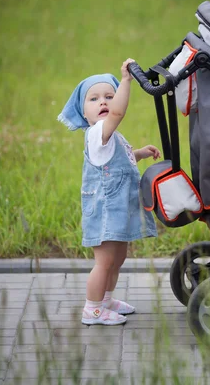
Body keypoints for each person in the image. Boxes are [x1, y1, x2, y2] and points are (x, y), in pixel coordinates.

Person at [57, 58, 159, 325]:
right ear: (84, 112)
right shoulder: (97, 132)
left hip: (118, 209)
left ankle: (106, 300)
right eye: (94, 99)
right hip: (104, 211)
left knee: (118, 257)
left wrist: (139, 154)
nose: (103, 102)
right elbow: (117, 113)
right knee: (104, 261)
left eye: (109, 96)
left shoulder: (112, 137)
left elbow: (118, 162)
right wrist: (125, 81)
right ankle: (92, 309)